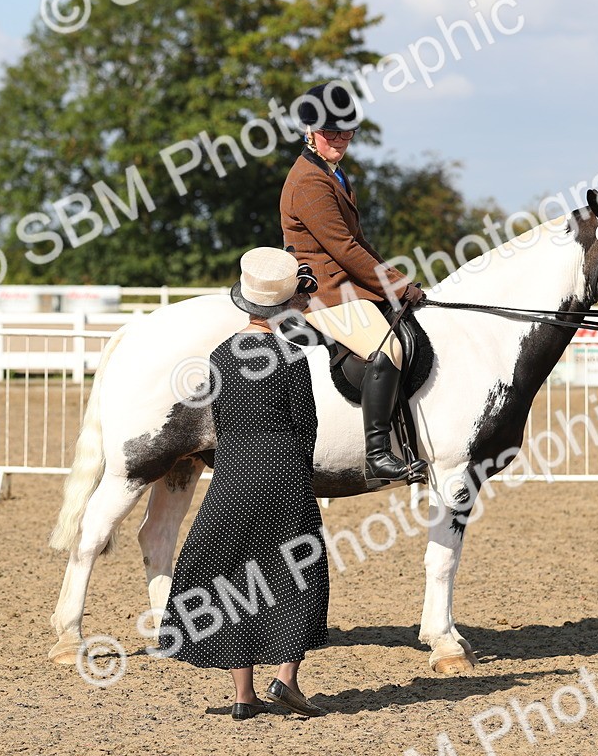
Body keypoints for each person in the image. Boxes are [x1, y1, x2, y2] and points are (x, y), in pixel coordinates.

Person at [157, 247, 329, 721]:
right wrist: (299, 471)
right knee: (299, 570)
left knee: (230, 576)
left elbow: (221, 420)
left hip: (232, 475)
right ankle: (287, 678)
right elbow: (306, 425)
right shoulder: (291, 355)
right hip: (284, 474)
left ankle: (243, 695)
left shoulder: (220, 355)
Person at [280, 80, 427, 487]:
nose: (340, 140)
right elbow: (344, 249)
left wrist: (398, 281)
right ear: (309, 133)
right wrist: (396, 288)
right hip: (324, 290)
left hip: (345, 281)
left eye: (346, 132)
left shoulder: (334, 173)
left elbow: (360, 243)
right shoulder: (310, 181)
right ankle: (378, 453)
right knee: (387, 347)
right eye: (331, 133)